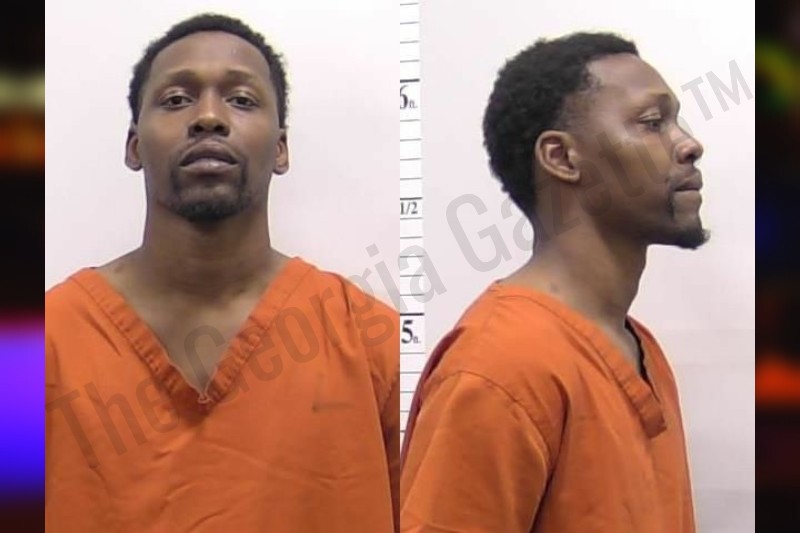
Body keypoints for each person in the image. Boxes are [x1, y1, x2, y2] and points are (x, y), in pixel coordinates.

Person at [45, 13, 398, 533]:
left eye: (241, 99)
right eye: (176, 99)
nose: (208, 117)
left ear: (280, 149)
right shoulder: (35, 348)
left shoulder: (375, 345)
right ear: (134, 146)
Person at [401, 32, 704, 532]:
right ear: (562, 158)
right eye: (653, 123)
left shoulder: (640, 349)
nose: (689, 144)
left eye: (676, 122)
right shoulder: (499, 367)